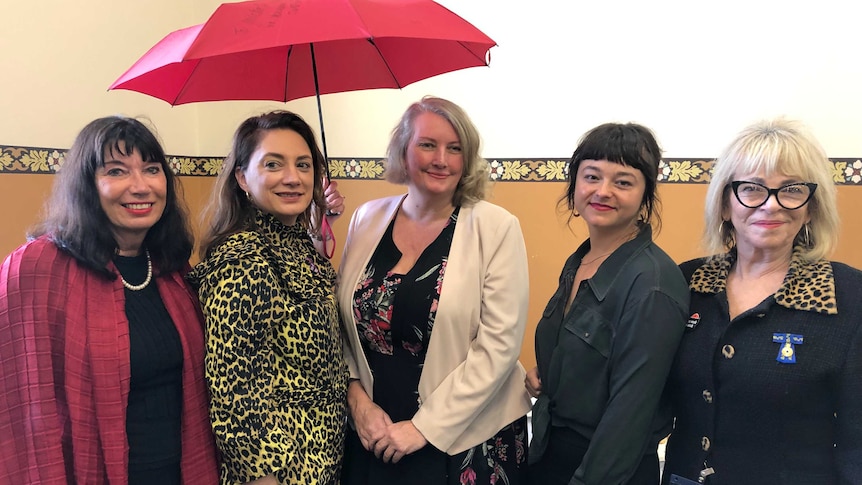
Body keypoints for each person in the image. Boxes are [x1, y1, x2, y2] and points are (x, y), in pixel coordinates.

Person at [0, 116, 219, 484]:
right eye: (117, 172)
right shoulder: (36, 268)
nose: (140, 186)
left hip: (180, 471)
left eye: (152, 169)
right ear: (87, 185)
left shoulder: (173, 268)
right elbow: (18, 400)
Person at [337, 96, 532, 484]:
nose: (441, 159)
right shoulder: (366, 218)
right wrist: (357, 402)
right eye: (428, 144)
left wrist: (424, 427)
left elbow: (499, 346)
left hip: (466, 433)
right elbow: (341, 323)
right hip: (374, 427)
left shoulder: (496, 227)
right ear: (403, 151)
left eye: (455, 148)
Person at [662, 119, 862, 484]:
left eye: (791, 190)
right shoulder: (685, 282)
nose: (771, 205)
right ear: (725, 204)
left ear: (811, 207)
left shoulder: (849, 297)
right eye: (752, 189)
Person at [188, 110, 348, 485]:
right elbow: (235, 393)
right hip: (281, 472)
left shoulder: (296, 243)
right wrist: (264, 477)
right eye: (273, 164)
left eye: (304, 165)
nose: (293, 178)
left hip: (323, 459)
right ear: (242, 177)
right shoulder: (244, 260)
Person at [526, 123, 690, 485]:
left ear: (646, 193)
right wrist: (548, 376)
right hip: (551, 452)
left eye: (623, 181)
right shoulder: (580, 261)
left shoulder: (652, 283)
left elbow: (630, 415)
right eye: (592, 176)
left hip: (606, 470)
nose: (603, 191)